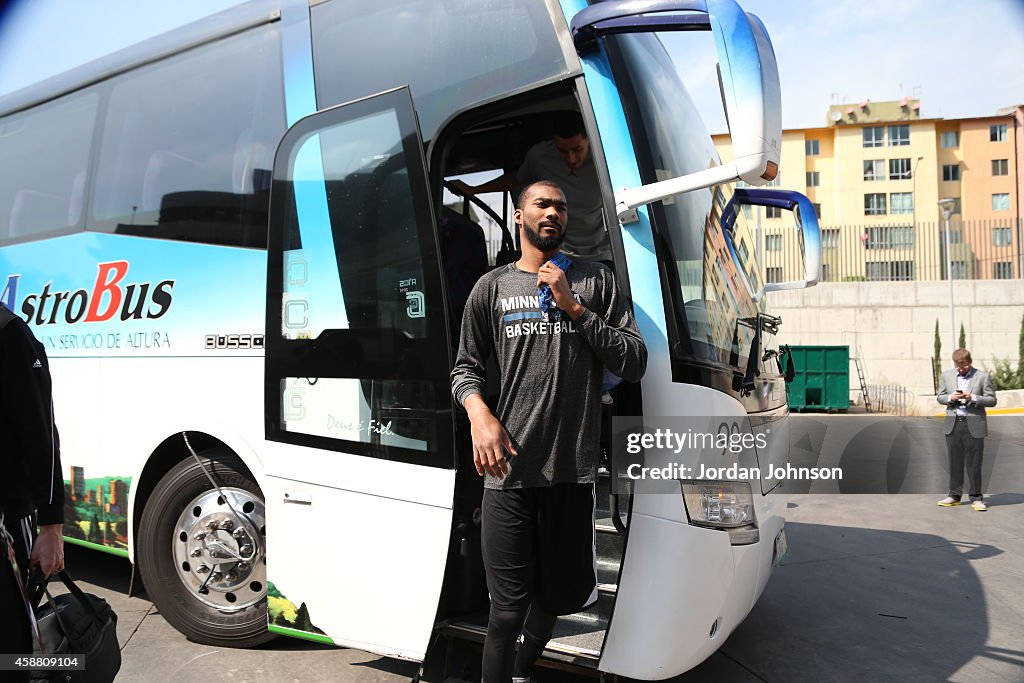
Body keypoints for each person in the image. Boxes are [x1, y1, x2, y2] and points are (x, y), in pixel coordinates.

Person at [450, 180, 646, 683]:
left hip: (571, 474)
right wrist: (480, 416)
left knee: (554, 601)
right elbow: (464, 368)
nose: (553, 212)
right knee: (506, 612)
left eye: (561, 205)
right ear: (519, 216)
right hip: (509, 473)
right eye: (542, 204)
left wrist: (574, 308)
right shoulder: (490, 288)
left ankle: (520, 672)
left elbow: (635, 360)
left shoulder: (595, 281)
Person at [450, 111, 611, 264]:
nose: (571, 158)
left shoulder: (606, 157)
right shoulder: (540, 156)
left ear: (589, 140)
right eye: (562, 151)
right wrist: (473, 190)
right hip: (558, 255)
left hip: (601, 253)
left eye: (577, 150)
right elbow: (516, 179)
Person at [0, 301, 65, 661]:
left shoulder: (11, 335)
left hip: (6, 525)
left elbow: (42, 438)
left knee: (11, 652)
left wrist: (51, 527)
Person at [936, 348, 996, 511]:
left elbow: (992, 400)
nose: (961, 369)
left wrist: (973, 398)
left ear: (970, 362)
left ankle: (976, 498)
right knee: (955, 462)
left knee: (974, 463)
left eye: (964, 366)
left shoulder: (983, 377)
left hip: (974, 424)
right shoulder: (946, 375)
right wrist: (950, 398)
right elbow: (940, 396)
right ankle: (954, 496)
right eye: (958, 366)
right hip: (953, 423)